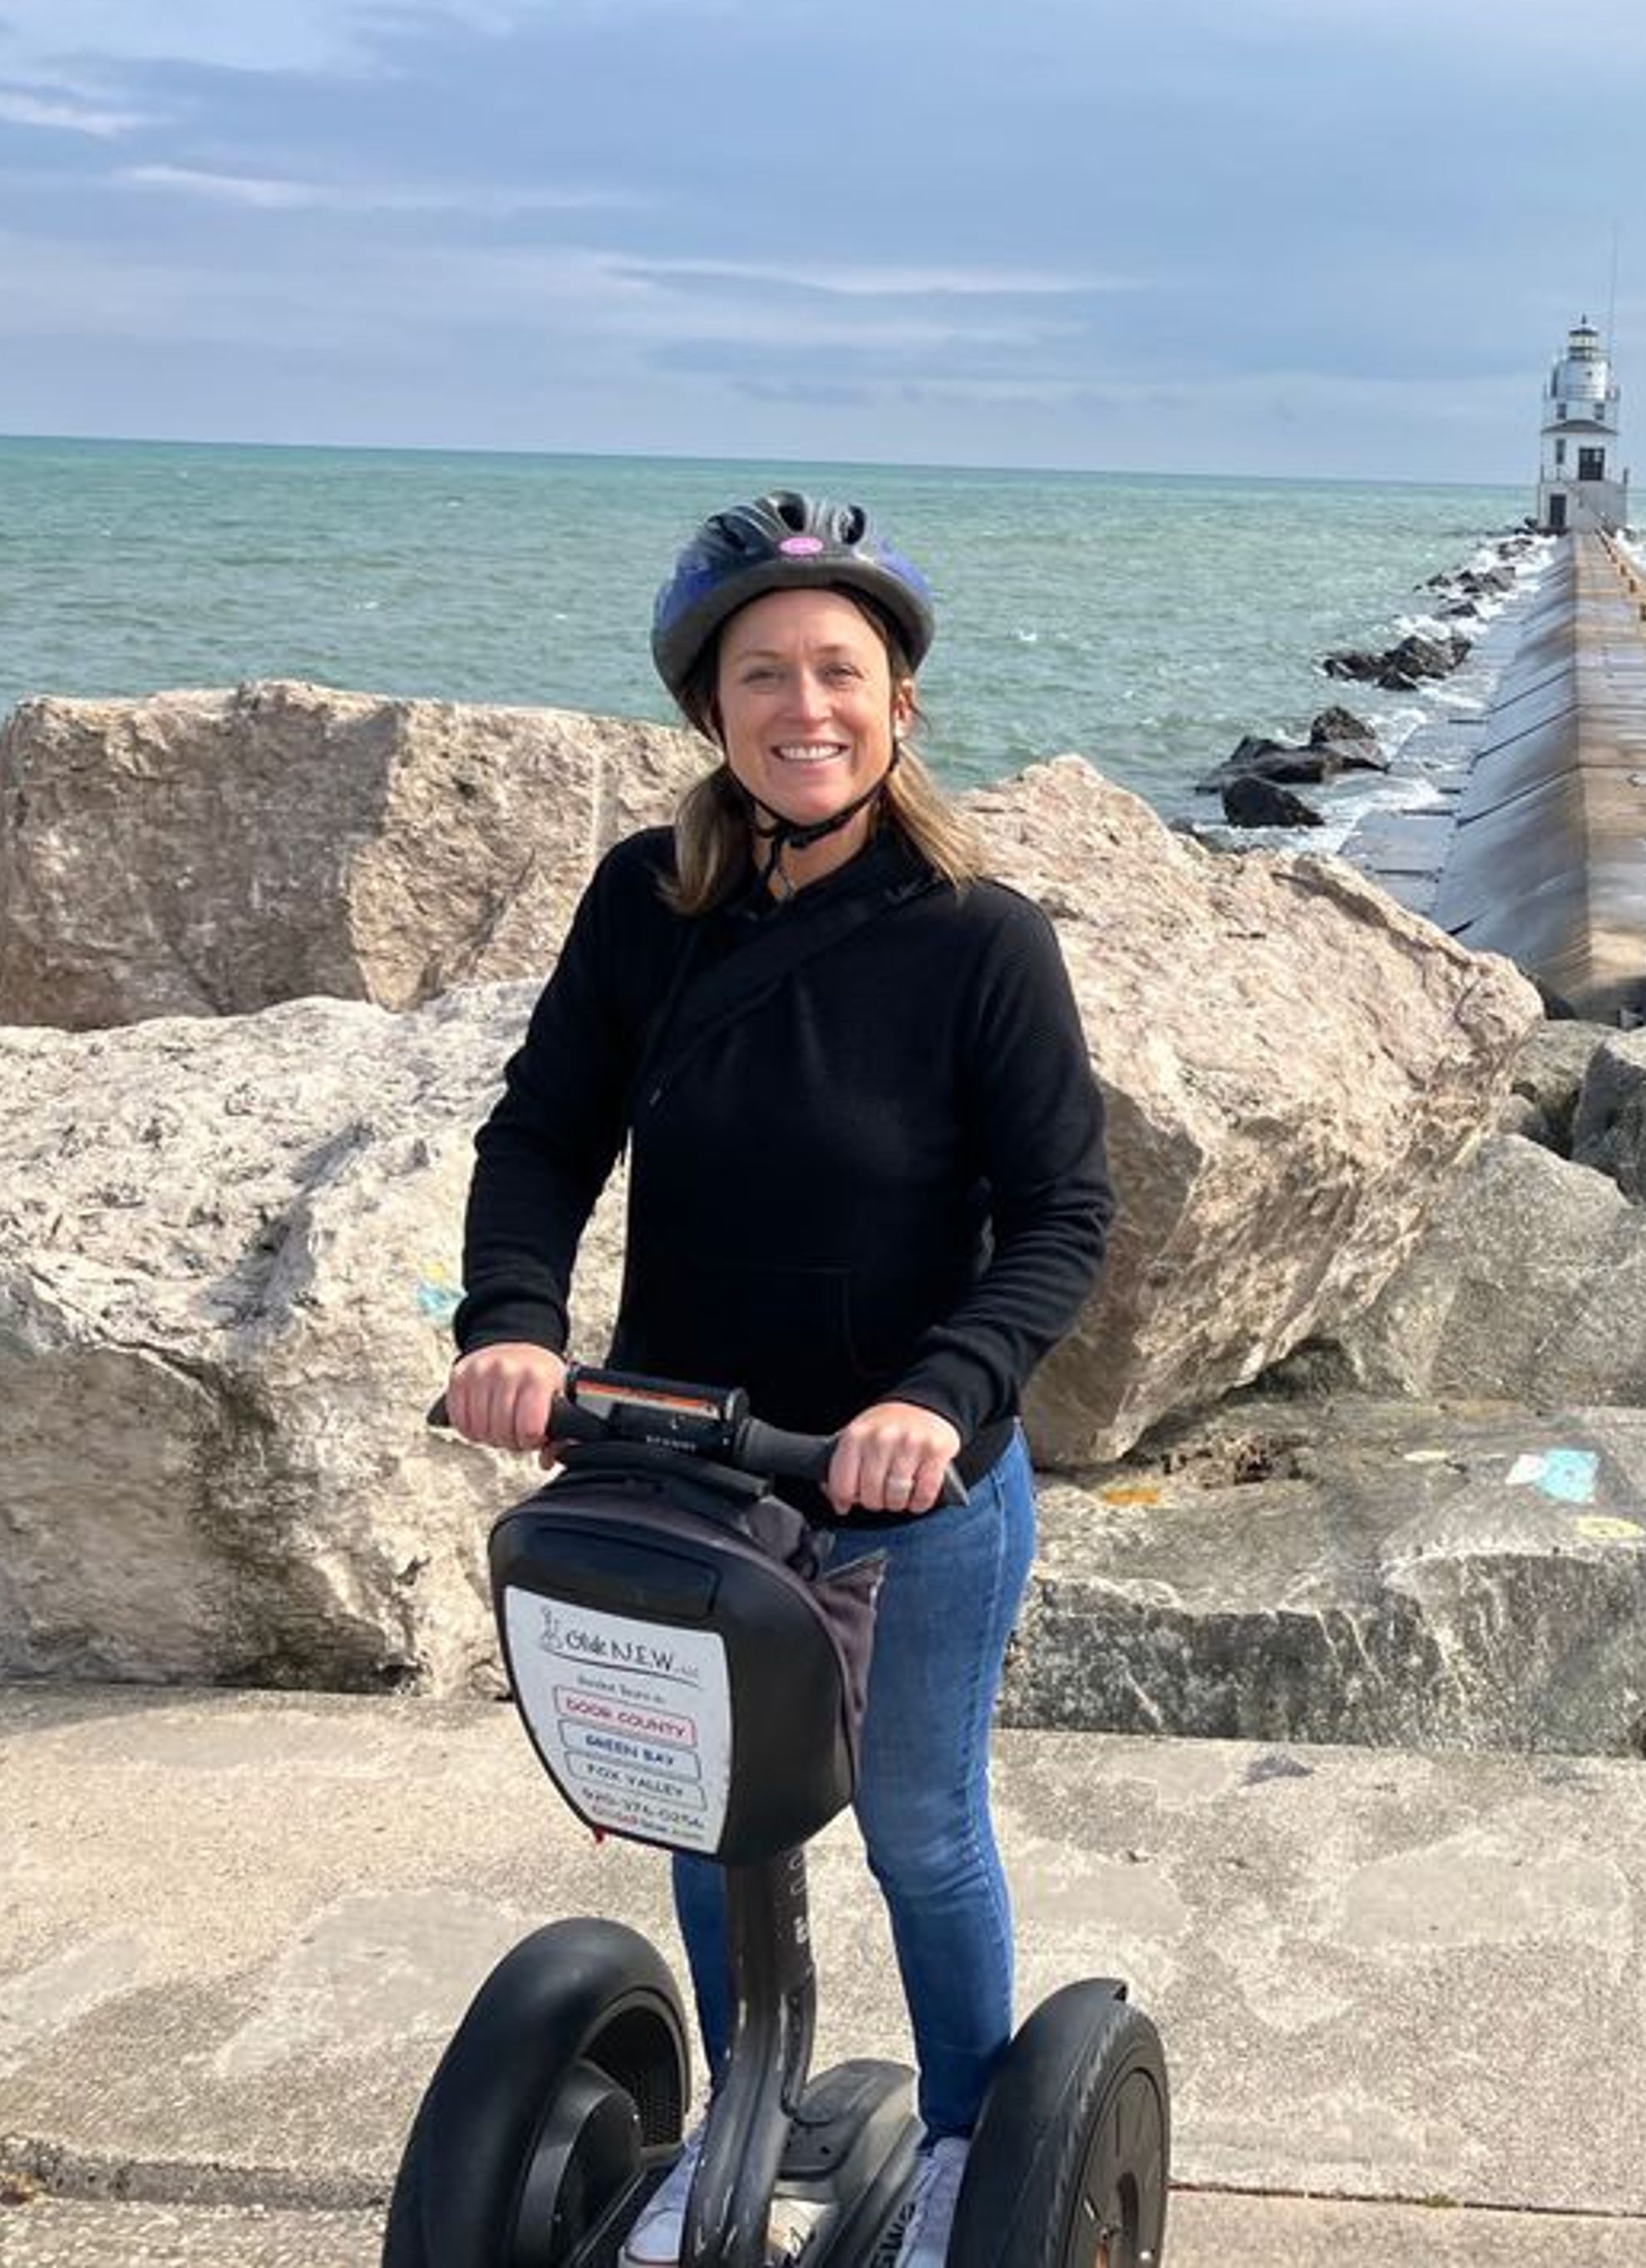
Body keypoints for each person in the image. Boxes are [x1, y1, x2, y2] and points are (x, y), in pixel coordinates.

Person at [444, 491, 1114, 2268]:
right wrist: (507, 1320)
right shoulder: (645, 906)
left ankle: (974, 2150)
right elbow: (542, 1135)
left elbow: (1062, 1216)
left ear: (898, 705)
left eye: (841, 671)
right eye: (764, 674)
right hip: (681, 1468)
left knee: (916, 1834)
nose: (804, 707)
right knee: (707, 1811)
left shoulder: (982, 939)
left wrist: (940, 1395)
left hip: (905, 1482)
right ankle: (737, 2117)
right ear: (710, 708)